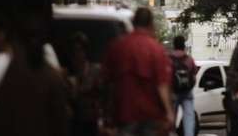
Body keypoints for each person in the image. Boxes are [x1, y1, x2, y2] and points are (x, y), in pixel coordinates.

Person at [0, 11, 70, 136]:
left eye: (36, 37)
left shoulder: (12, 73)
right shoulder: (12, 73)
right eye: (30, 37)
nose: (34, 42)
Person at [104, 7, 174, 136]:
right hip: (151, 115)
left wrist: (106, 114)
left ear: (133, 22)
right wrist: (169, 113)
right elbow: (162, 84)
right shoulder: (156, 49)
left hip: (124, 113)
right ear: (150, 24)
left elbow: (108, 82)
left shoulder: (117, 46)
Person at [67, 31, 104, 136]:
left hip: (92, 123)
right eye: (73, 51)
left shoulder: (95, 70)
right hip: (75, 124)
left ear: (85, 52)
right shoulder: (67, 74)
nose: (77, 54)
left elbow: (102, 96)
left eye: (80, 50)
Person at [170, 35, 197, 136]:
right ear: (183, 45)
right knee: (189, 118)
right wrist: (189, 87)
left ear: (174, 45)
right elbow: (194, 78)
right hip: (187, 93)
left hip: (173, 93)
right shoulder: (189, 59)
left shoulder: (168, 59)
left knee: (171, 119)